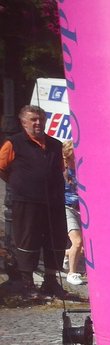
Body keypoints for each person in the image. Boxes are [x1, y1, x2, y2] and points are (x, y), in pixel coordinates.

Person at [0, 105, 69, 299]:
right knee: (27, 241)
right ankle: (27, 283)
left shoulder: (55, 144)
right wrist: (19, 183)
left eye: (41, 119)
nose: (38, 123)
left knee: (55, 240)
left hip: (53, 201)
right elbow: (2, 168)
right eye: (33, 120)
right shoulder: (13, 143)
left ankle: (51, 281)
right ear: (23, 122)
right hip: (26, 201)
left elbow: (60, 169)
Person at [62, 140, 84, 287]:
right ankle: (72, 273)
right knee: (77, 242)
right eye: (70, 158)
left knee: (82, 247)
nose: (72, 161)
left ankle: (66, 254)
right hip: (68, 208)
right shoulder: (62, 171)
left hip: (82, 209)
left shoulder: (83, 169)